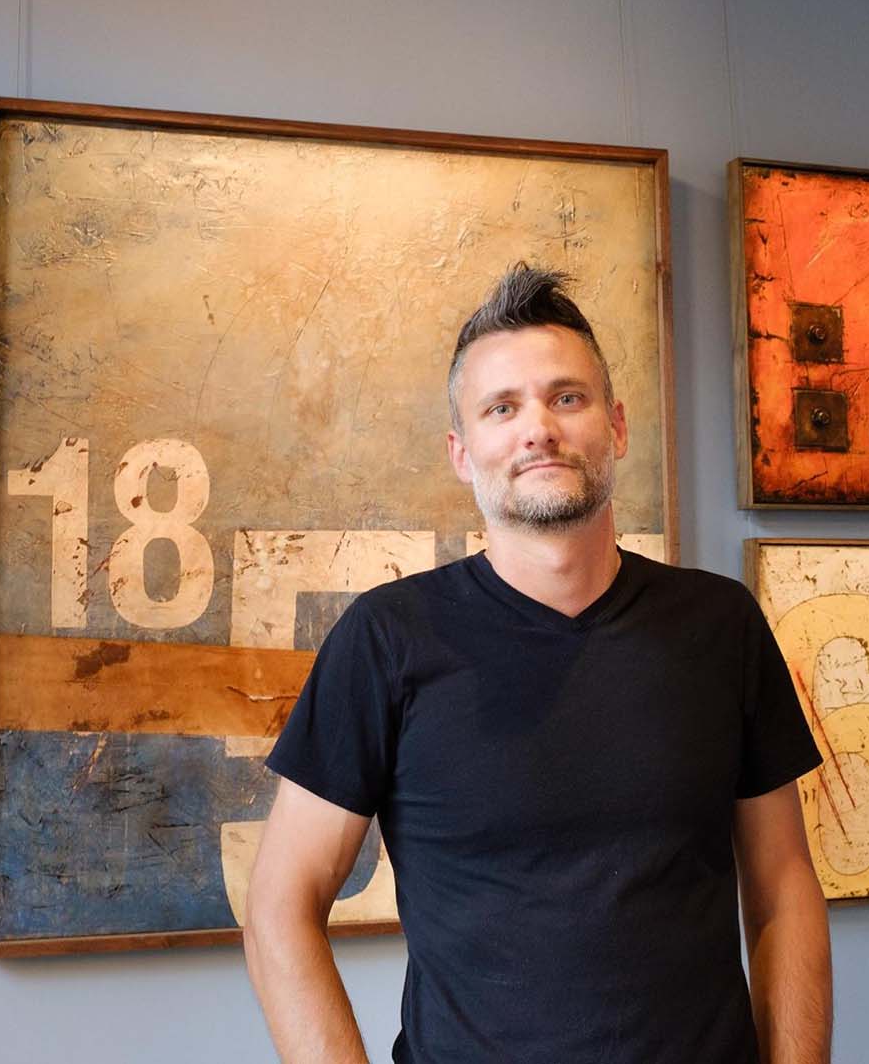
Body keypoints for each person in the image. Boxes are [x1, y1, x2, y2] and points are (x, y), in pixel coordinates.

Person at [242, 264, 831, 1063]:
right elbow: (282, 902)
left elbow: (783, 889)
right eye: (501, 407)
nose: (537, 430)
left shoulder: (720, 624)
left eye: (567, 397)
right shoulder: (387, 638)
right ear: (461, 452)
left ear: (616, 427)